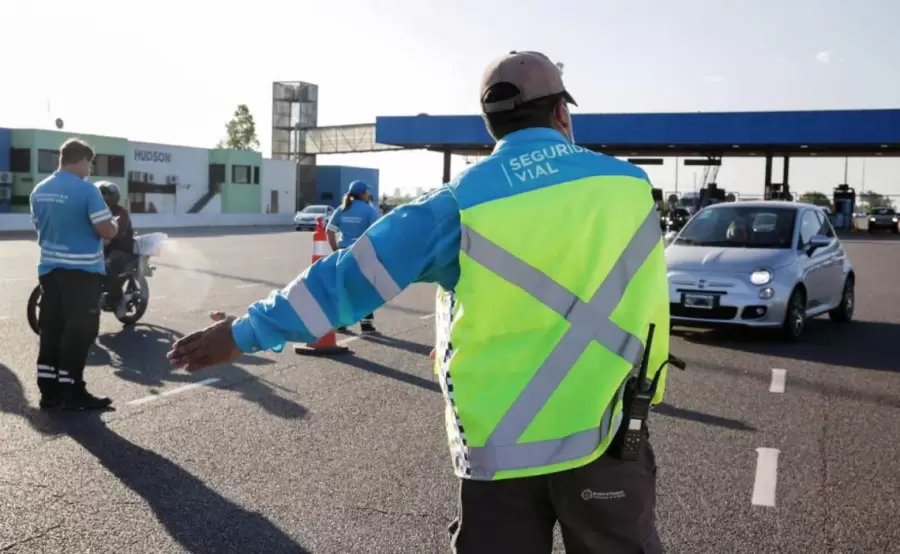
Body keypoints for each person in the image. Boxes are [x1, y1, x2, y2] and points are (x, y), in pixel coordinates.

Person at [168, 50, 670, 554]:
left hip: (502, 451)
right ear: (562, 112)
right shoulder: (629, 187)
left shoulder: (461, 201)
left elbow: (346, 282)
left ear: (490, 125)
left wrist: (241, 333)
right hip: (611, 434)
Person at [31, 138, 117, 411]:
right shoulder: (87, 191)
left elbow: (41, 227)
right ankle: (72, 391)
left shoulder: (39, 191)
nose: (89, 170)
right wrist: (113, 225)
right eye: (89, 163)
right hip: (82, 274)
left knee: (51, 330)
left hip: (49, 271)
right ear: (80, 160)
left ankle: (49, 392)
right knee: (79, 333)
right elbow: (105, 230)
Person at [325, 180, 380, 334]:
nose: (368, 194)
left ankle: (342, 323)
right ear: (362, 193)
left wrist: (336, 250)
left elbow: (329, 231)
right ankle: (366, 324)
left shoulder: (341, 209)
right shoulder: (369, 211)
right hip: (362, 252)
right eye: (367, 192)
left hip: (343, 252)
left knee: (344, 288)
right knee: (365, 288)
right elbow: (376, 233)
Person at [97, 181, 135, 319]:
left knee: (107, 267)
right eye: (99, 194)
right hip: (102, 248)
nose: (101, 197)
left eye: (104, 193)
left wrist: (108, 238)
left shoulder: (120, 212)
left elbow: (119, 232)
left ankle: (119, 300)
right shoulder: (96, 211)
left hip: (121, 250)